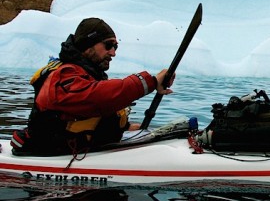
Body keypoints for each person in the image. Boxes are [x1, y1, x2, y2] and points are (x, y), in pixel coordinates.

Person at [11, 17, 175, 157]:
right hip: (56, 157)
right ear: (87, 46)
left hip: (89, 151)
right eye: (108, 45)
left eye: (115, 47)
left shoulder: (87, 75)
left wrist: (126, 129)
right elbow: (97, 98)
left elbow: (92, 113)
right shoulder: (62, 77)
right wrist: (149, 82)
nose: (113, 53)